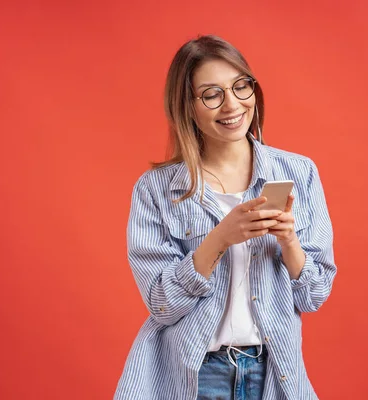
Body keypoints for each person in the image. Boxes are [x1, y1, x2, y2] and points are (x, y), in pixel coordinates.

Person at [114, 35, 338, 400]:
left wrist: (289, 242)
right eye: (211, 94)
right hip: (193, 375)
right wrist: (219, 238)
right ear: (187, 106)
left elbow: (314, 295)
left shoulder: (299, 172)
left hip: (273, 372)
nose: (232, 105)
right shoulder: (156, 189)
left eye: (240, 87)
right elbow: (161, 304)